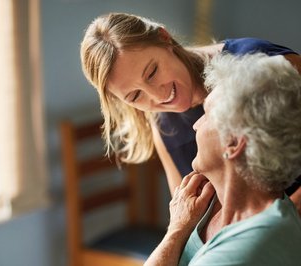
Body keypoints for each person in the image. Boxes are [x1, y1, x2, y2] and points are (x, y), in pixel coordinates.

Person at [80, 12, 301, 210]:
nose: (157, 96)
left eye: (152, 72)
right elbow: (186, 212)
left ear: (164, 39)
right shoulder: (163, 126)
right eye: (135, 96)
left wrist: (279, 224)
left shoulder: (261, 63)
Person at [144, 53, 301, 266]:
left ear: (234, 143)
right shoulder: (208, 207)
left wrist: (176, 231)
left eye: (207, 114)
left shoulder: (241, 252)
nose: (195, 125)